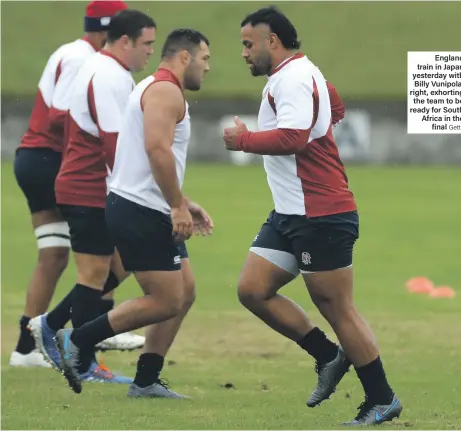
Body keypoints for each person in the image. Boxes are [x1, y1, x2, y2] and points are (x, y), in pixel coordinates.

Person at [222, 6, 403, 426]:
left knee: (339, 310)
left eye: (249, 45)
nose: (244, 53)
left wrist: (244, 140)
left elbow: (294, 136)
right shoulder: (302, 74)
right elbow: (334, 109)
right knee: (252, 289)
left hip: (320, 213)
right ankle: (327, 356)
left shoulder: (294, 79)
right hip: (290, 212)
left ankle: (381, 398)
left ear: (272, 42)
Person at [53, 28, 212, 398]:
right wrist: (176, 206)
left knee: (184, 291)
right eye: (204, 59)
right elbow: (157, 150)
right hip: (142, 209)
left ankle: (146, 381)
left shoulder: (152, 88)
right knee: (166, 299)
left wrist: (181, 200)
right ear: (185, 57)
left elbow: (145, 158)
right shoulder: (165, 91)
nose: (207, 68)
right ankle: (77, 339)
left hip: (145, 203)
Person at [10, 0, 141, 369]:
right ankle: (97, 328)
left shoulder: (75, 53)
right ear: (111, 31)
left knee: (54, 255)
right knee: (114, 243)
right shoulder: (86, 59)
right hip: (52, 159)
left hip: (39, 159)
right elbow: (59, 116)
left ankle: (27, 347)